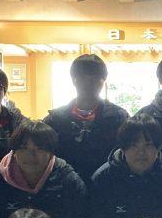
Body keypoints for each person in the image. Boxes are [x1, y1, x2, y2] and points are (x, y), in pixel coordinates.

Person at [44, 53, 129, 184]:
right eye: (82, 77)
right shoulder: (55, 119)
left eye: (95, 78)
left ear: (104, 81)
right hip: (65, 186)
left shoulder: (119, 117)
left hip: (108, 185)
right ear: (73, 80)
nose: (89, 83)